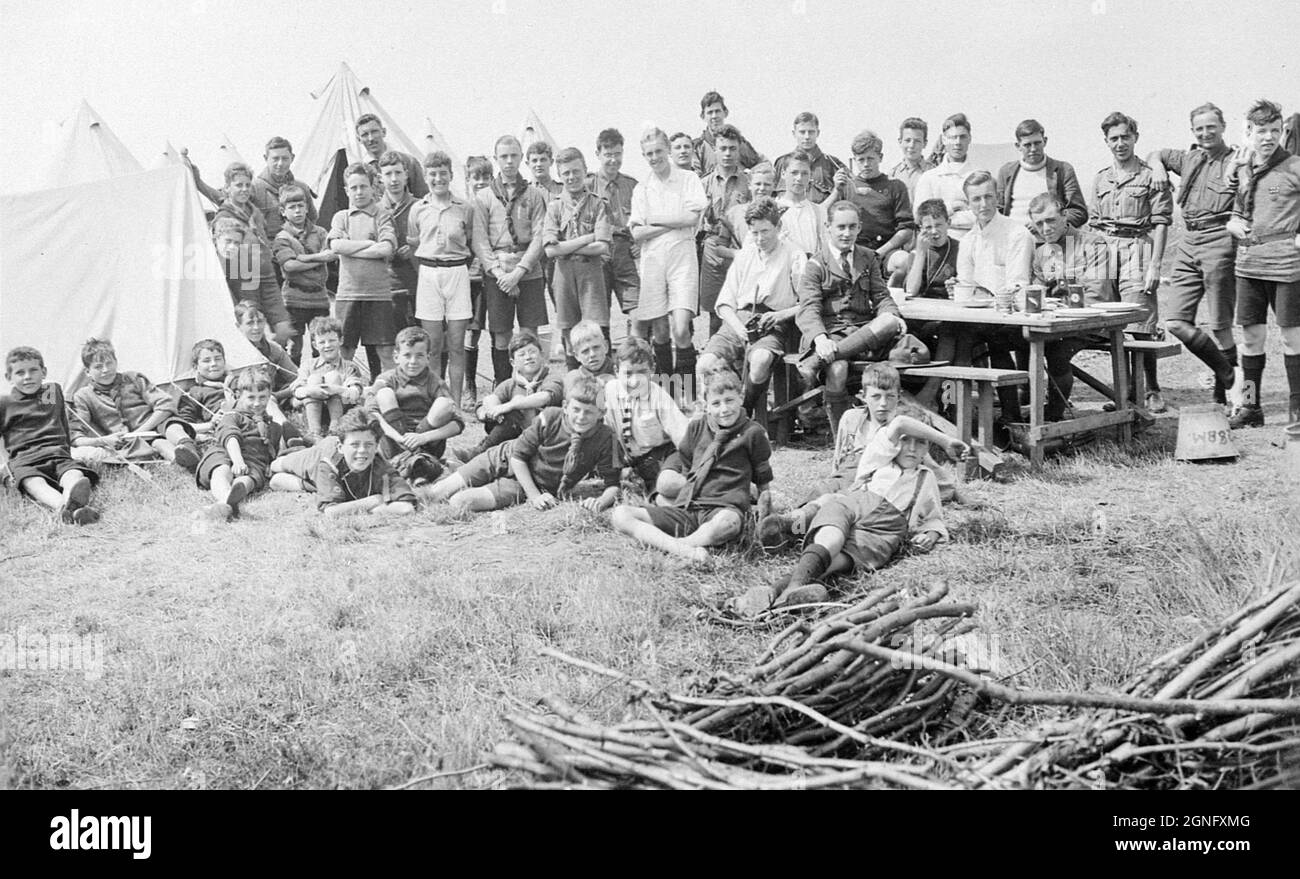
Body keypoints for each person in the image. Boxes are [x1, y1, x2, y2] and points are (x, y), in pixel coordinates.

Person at [743, 405, 962, 613]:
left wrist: (931, 534)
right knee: (830, 540)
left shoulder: (927, 477)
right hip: (854, 505)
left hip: (882, 532)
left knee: (831, 563)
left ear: (927, 448)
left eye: (921, 442)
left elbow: (934, 517)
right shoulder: (879, 455)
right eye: (906, 440)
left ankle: (777, 592)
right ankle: (789, 583)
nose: (913, 448)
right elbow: (900, 423)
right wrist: (945, 439)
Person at [610, 369, 772, 565]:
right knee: (621, 515)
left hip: (723, 509)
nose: (724, 409)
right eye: (716, 403)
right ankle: (683, 549)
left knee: (729, 523)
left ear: (741, 397)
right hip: (689, 508)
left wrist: (765, 507)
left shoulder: (753, 433)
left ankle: (680, 545)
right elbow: (687, 466)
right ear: (706, 405)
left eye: (729, 400)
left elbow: (763, 476)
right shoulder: (696, 428)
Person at [1146, 102, 1242, 409]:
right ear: (1192, 132)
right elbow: (1156, 154)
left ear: (1223, 127)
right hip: (1188, 240)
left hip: (1219, 239)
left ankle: (1243, 398)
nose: (1205, 133)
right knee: (1175, 321)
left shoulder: (1236, 160)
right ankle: (1228, 376)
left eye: (1211, 127)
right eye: (1199, 129)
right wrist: (1159, 166)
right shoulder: (1189, 158)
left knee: (1221, 326)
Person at [424, 375, 620, 513]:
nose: (581, 417)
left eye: (589, 412)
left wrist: (600, 502)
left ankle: (463, 477)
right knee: (436, 494)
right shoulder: (550, 417)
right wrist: (535, 497)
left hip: (528, 483)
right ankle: (443, 474)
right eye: (576, 409)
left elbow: (613, 485)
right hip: (504, 457)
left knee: (459, 502)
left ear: (601, 413)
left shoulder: (605, 437)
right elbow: (517, 457)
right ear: (566, 407)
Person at [795, 201, 905, 433]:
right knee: (837, 370)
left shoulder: (868, 258)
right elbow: (808, 308)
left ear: (859, 227)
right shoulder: (816, 264)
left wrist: (892, 314)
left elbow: (881, 295)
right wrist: (820, 339)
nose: (847, 233)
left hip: (862, 332)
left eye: (852, 227)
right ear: (828, 227)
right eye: (841, 227)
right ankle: (842, 439)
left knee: (888, 321)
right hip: (831, 332)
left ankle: (816, 363)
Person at [1225, 99, 1300, 428]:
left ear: (1282, 131)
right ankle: (1252, 407)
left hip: (1287, 266)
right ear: (1248, 133)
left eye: (1275, 130)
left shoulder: (1295, 165)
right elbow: (1239, 211)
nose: (1268, 137)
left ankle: (1298, 411)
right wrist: (1232, 223)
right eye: (1261, 131)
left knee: (1292, 339)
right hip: (1249, 265)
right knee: (1251, 339)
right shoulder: (1243, 168)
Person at [1091, 111, 1172, 413]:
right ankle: (1124, 392)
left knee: (1141, 325)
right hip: (1105, 251)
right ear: (1106, 142)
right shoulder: (1101, 178)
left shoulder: (1152, 176)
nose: (1120, 143)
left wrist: (1155, 265)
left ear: (1135, 137)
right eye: (1114, 138)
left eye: (1126, 136)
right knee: (1112, 326)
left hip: (1139, 248)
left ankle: (1151, 389)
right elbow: (1095, 223)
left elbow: (1162, 222)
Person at [698, 197, 806, 414]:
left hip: (774, 321)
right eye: (754, 233)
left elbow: (807, 302)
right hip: (739, 320)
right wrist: (739, 328)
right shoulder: (745, 255)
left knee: (760, 360)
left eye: (765, 231)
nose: (759, 238)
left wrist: (781, 315)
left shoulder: (794, 254)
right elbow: (725, 304)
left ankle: (743, 411)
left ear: (778, 227)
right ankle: (713, 415)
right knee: (705, 364)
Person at [793, 362, 956, 505]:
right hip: (843, 475)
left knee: (834, 504)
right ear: (863, 396)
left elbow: (932, 469)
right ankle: (789, 526)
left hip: (871, 485)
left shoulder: (900, 429)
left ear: (899, 397)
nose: (883, 404)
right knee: (821, 491)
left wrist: (955, 493)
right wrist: (834, 478)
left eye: (890, 397)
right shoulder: (851, 419)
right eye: (876, 397)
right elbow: (839, 456)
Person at [630, 128, 707, 399]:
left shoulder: (687, 179)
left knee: (681, 328)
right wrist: (671, 221)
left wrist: (657, 220)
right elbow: (637, 233)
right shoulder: (642, 188)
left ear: (668, 151)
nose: (655, 157)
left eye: (659, 151)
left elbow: (691, 219)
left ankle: (689, 397)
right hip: (652, 260)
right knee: (660, 332)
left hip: (682, 257)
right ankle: (668, 395)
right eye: (649, 154)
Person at [956, 171, 1034, 429]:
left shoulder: (1016, 233)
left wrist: (990, 296)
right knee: (951, 335)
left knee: (996, 339)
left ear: (998, 197)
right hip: (981, 315)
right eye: (976, 199)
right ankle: (955, 413)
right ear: (968, 203)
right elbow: (965, 286)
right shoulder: (968, 240)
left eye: (989, 196)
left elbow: (1017, 283)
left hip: (1015, 317)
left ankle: (1010, 416)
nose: (983, 204)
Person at [1028, 192, 1116, 420]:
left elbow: (1098, 296)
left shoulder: (1093, 243)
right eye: (1039, 223)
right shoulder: (1040, 253)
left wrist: (1057, 307)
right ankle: (1023, 407)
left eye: (1050, 220)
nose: (1045, 228)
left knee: (1055, 351)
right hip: (1058, 325)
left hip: (1096, 323)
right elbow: (1037, 295)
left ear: (1065, 216)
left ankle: (1053, 417)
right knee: (1018, 340)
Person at [473, 136, 550, 385]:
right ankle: (503, 385)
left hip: (528, 269)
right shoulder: (484, 197)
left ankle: (532, 386)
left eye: (514, 156)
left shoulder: (534, 194)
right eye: (503, 156)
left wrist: (519, 271)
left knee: (529, 333)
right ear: (496, 159)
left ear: (521, 158)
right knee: (501, 334)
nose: (509, 161)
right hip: (497, 271)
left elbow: (540, 235)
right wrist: (499, 272)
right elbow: (479, 240)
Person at [1, 346, 101, 525]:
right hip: (26, 459)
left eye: (33, 370)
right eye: (20, 373)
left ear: (44, 371)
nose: (27, 377)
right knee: (33, 482)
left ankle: (73, 497)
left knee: (73, 473)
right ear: (8, 378)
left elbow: (58, 418)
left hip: (57, 453)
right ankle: (63, 506)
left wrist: (66, 447)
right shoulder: (5, 404)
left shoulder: (50, 392)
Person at [69, 338, 200, 472]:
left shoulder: (133, 378)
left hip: (155, 425)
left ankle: (187, 446)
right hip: (129, 441)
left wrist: (142, 430)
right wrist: (103, 441)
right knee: (159, 443)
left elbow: (166, 404)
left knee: (172, 426)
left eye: (109, 363)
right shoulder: (83, 396)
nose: (106, 370)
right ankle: (181, 462)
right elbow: (76, 437)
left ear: (116, 362)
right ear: (87, 372)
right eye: (98, 367)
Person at [408, 151, 476, 404]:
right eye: (433, 174)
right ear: (426, 177)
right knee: (433, 346)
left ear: (451, 175)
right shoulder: (418, 209)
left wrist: (454, 263)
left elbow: (470, 241)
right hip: (428, 274)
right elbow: (413, 241)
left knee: (457, 345)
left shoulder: (464, 208)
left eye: (443, 174)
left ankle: (456, 403)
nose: (439, 179)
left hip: (457, 273)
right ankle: (437, 402)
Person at [366, 326, 465, 486]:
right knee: (384, 394)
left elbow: (458, 424)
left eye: (419, 356)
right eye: (407, 355)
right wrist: (398, 437)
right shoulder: (387, 379)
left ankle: (411, 465)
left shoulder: (435, 382)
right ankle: (418, 466)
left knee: (444, 403)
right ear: (396, 357)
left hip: (427, 444)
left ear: (428, 357)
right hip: (394, 442)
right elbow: (371, 414)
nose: (413, 361)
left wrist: (422, 437)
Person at [328, 162, 399, 376]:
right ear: (346, 190)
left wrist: (351, 249)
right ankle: (341, 397)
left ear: (372, 188)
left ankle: (386, 397)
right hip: (348, 294)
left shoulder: (382, 215)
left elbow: (386, 248)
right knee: (344, 350)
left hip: (378, 295)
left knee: (385, 351)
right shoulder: (341, 217)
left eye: (363, 186)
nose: (359, 192)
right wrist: (369, 244)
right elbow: (335, 245)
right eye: (354, 187)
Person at [212, 163, 293, 346]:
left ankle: (279, 364)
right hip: (244, 278)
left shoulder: (254, 211)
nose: (244, 189)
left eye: (247, 185)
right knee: (254, 330)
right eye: (239, 185)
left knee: (284, 329)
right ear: (227, 188)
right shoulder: (224, 217)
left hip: (267, 275)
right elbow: (224, 253)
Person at [544, 147, 612, 363]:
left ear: (585, 170)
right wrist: (586, 238)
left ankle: (603, 383)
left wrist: (566, 247)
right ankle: (574, 384)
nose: (571, 177)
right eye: (566, 173)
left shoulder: (597, 204)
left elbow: (602, 246)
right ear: (559, 175)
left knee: (595, 329)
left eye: (576, 171)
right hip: (563, 274)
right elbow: (550, 250)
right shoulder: (554, 206)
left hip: (591, 273)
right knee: (568, 330)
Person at [453, 330, 560, 462]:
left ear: (542, 355)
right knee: (507, 417)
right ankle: (481, 452)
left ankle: (481, 454)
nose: (528, 357)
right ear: (513, 362)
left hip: (549, 437)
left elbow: (546, 397)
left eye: (532, 352)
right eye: (522, 354)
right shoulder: (510, 384)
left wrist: (511, 405)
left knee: (513, 412)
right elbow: (485, 403)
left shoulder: (551, 379)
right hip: (519, 438)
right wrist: (489, 410)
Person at [194, 367, 285, 521]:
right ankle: (224, 498)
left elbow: (274, 449)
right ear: (238, 396)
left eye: (262, 397)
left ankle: (235, 494)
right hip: (225, 453)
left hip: (253, 461)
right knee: (221, 470)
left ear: (270, 396)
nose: (257, 403)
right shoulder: (233, 416)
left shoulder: (273, 426)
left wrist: (272, 463)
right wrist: (237, 461)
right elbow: (230, 437)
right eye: (251, 397)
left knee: (251, 477)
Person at [189, 136, 318, 240]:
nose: (280, 164)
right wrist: (199, 182)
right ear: (265, 159)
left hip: (296, 253)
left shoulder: (301, 188)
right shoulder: (254, 187)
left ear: (292, 158)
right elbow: (224, 200)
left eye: (285, 158)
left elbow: (312, 218)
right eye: (275, 159)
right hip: (267, 254)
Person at [603, 336, 689, 492]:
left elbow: (682, 436)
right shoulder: (610, 391)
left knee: (667, 485)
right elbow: (609, 433)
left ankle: (704, 485)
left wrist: (692, 467)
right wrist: (616, 468)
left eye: (642, 372)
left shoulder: (659, 397)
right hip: (637, 461)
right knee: (656, 496)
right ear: (616, 372)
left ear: (652, 370)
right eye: (628, 373)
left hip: (665, 455)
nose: (635, 381)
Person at [832, 129, 915, 269]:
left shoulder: (896, 186)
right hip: (854, 250)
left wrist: (879, 253)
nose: (866, 164)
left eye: (870, 158)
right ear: (854, 160)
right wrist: (836, 190)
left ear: (880, 157)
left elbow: (906, 229)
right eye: (861, 159)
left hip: (887, 251)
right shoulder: (846, 187)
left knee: (904, 261)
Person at [272, 183, 336, 364]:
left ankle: (322, 373)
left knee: (322, 341)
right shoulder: (283, 237)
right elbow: (289, 266)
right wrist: (318, 258)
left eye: (300, 206)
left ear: (307, 208)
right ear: (283, 211)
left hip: (319, 296)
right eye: (292, 207)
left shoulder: (320, 232)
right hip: (294, 297)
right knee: (295, 344)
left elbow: (330, 255)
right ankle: (295, 377)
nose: (297, 211)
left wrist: (305, 258)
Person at [699, 125, 754, 336]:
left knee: (741, 309)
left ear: (739, 150)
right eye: (723, 148)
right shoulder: (703, 184)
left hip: (740, 250)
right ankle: (714, 362)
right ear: (715, 150)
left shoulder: (749, 183)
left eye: (732, 148)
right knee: (715, 312)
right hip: (713, 251)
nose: (728, 153)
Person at [312, 409, 417, 517]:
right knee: (297, 478)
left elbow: (406, 508)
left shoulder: (382, 467)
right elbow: (331, 512)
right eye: (355, 444)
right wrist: (374, 500)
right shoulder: (329, 465)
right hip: (318, 453)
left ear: (376, 447)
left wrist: (375, 510)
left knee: (314, 485)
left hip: (337, 459)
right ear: (340, 447)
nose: (362, 450)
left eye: (368, 445)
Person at [589, 129, 643, 337]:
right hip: (598, 254)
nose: (613, 160)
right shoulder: (587, 185)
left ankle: (637, 363)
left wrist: (639, 242)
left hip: (626, 254)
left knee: (638, 313)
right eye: (608, 154)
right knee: (599, 320)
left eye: (617, 154)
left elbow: (642, 221)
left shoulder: (633, 186)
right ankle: (604, 368)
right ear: (598, 154)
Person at [995, 119, 1088, 232]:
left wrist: (1043, 224)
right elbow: (998, 211)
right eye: (1027, 145)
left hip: (1054, 241)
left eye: (1037, 143)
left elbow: (1079, 213)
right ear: (1018, 146)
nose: (1033, 149)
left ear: (1045, 141)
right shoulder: (1006, 172)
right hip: (1014, 241)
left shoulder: (1063, 170)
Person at [289, 316, 364, 440]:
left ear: (341, 341)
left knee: (333, 376)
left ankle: (335, 429)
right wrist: (310, 390)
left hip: (342, 412)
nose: (327, 345)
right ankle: (314, 433)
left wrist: (336, 389)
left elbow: (355, 393)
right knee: (313, 379)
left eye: (332, 340)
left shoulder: (349, 366)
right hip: (313, 410)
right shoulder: (308, 365)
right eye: (322, 342)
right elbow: (297, 390)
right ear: (315, 345)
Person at [914, 113, 979, 240]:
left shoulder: (978, 176)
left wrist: (941, 219)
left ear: (970, 138)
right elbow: (919, 217)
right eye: (953, 137)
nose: (958, 142)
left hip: (973, 241)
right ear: (944, 140)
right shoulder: (929, 177)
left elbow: (983, 216)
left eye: (962, 137)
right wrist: (952, 207)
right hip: (938, 242)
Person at [463, 156, 495, 406]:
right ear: (468, 180)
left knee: (497, 330)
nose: (481, 182)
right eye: (476, 177)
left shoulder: (496, 207)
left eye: (486, 177)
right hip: (469, 277)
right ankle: (470, 384)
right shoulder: (463, 208)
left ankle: (500, 382)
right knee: (471, 333)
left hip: (491, 275)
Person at [377, 151, 420, 333]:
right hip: (387, 286)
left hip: (417, 283)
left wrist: (415, 249)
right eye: (388, 174)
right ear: (381, 178)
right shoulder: (374, 210)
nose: (394, 179)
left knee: (425, 340)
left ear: (406, 174)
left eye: (398, 173)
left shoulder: (421, 206)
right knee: (390, 343)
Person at [774, 112, 846, 205]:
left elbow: (851, 192)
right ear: (794, 133)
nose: (807, 137)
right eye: (802, 132)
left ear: (818, 133)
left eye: (811, 132)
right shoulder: (782, 163)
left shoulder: (832, 164)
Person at [234, 300, 297, 407]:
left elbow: (296, 378)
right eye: (250, 323)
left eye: (260, 321)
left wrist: (277, 395)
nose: (256, 327)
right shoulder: (233, 353)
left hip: (273, 397)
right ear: (238, 326)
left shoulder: (273, 349)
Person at [691, 91, 764, 177]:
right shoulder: (697, 147)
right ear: (703, 116)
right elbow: (694, 176)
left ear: (725, 113)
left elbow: (758, 164)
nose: (714, 116)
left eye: (717, 111)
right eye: (710, 112)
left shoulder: (739, 142)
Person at [355, 113, 428, 199]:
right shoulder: (360, 171)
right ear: (359, 139)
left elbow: (423, 199)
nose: (371, 138)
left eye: (374, 132)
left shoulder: (408, 162)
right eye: (365, 135)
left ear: (384, 132)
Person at [903, 199, 959, 299]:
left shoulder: (960, 249)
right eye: (928, 227)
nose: (934, 231)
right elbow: (910, 291)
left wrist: (957, 286)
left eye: (938, 225)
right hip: (924, 304)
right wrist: (920, 253)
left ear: (948, 223)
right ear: (921, 229)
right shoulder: (917, 253)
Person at [176, 339, 230, 438]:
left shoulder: (237, 383)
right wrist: (211, 424)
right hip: (222, 431)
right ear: (195, 366)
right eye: (206, 361)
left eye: (218, 359)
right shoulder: (194, 392)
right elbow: (184, 425)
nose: (213, 364)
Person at [777, 151, 827, 256]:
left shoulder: (818, 212)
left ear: (810, 176)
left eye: (804, 173)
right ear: (783, 174)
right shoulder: (773, 210)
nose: (799, 178)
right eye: (794, 173)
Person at [890, 118, 934, 202]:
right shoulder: (892, 175)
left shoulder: (934, 172)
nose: (912, 145)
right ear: (900, 142)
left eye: (917, 141)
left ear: (925, 143)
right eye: (907, 140)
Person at [565, 320, 618, 386]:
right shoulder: (574, 380)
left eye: (596, 347)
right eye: (585, 351)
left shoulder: (621, 373)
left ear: (606, 346)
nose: (592, 354)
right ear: (576, 356)